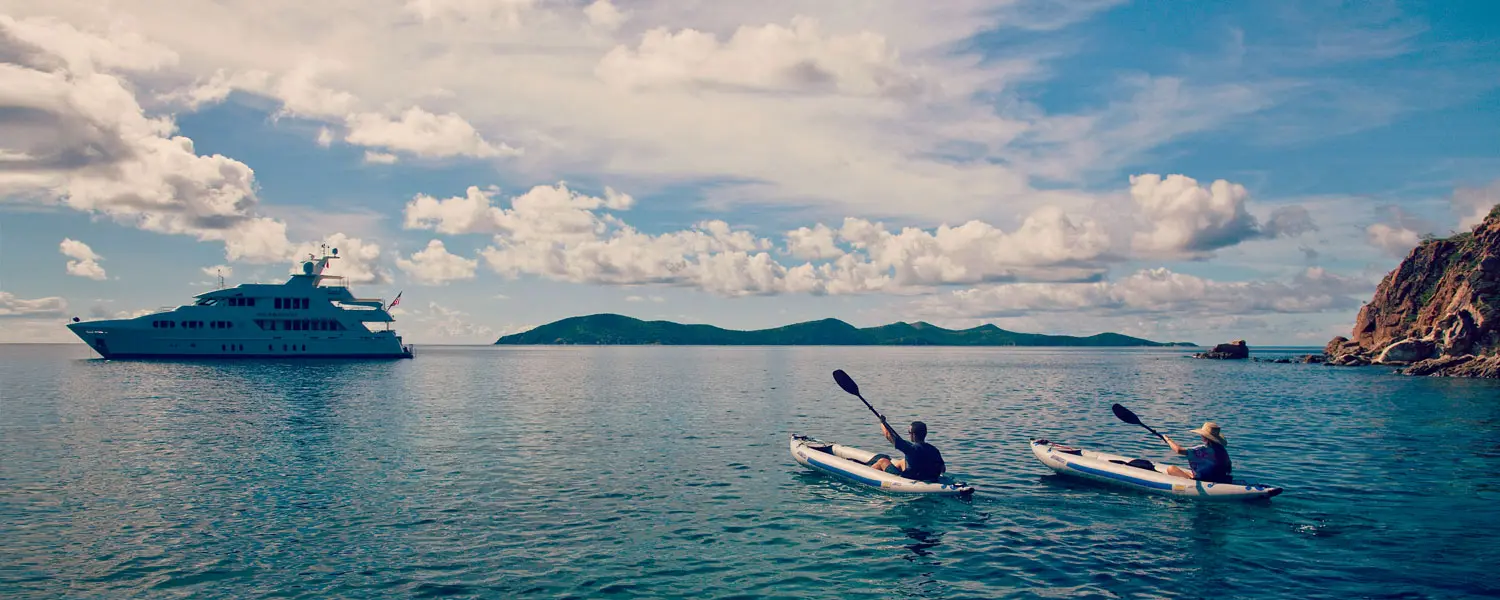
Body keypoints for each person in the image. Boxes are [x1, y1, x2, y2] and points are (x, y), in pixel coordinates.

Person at [867, 420, 946, 482]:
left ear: (913, 435)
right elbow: (943, 469)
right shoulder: (934, 450)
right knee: (903, 461)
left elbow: (888, 436)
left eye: (909, 433)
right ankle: (885, 473)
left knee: (882, 461)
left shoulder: (910, 449)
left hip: (909, 479)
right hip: (929, 478)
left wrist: (882, 422)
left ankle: (867, 474)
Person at [1162, 421, 1233, 483]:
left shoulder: (1202, 450)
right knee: (1188, 472)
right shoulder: (1222, 450)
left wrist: (1168, 440)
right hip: (1219, 479)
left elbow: (1179, 450)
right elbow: (1229, 469)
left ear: (1204, 437)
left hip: (1204, 480)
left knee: (1171, 469)